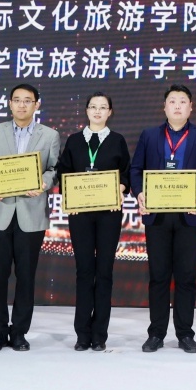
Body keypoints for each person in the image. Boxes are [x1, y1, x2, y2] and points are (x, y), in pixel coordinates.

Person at [129, 84, 196, 354]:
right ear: (164, 107)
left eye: (182, 101)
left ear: (191, 107)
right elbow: (136, 169)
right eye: (172, 101)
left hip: (189, 216)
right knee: (158, 276)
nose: (177, 105)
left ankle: (185, 334)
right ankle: (156, 333)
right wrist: (140, 193)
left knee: (186, 277)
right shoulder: (149, 135)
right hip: (157, 216)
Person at [0, 83, 60, 353]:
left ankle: (19, 333)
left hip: (31, 213)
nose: (22, 105)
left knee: (26, 277)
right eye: (17, 100)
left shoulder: (50, 135)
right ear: (10, 104)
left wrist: (44, 183)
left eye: (28, 100)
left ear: (37, 104)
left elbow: (54, 169)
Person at [54, 92, 131, 352]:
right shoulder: (74, 140)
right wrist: (71, 196)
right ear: (86, 111)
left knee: (105, 272)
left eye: (103, 107)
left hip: (109, 213)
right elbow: (63, 172)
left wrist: (121, 187)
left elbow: (126, 173)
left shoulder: (117, 140)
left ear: (110, 112)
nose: (98, 111)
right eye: (93, 107)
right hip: (81, 214)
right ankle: (82, 333)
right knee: (84, 271)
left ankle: (100, 335)